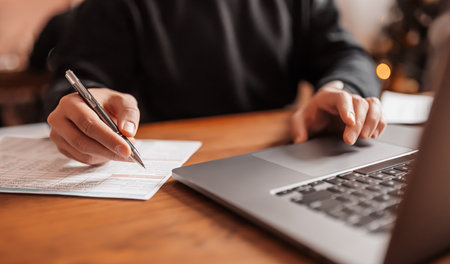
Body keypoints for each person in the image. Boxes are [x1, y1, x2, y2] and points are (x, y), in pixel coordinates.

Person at [44, 0, 386, 165]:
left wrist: (339, 91)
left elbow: (347, 56)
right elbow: (78, 77)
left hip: (280, 156)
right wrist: (81, 106)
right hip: (158, 177)